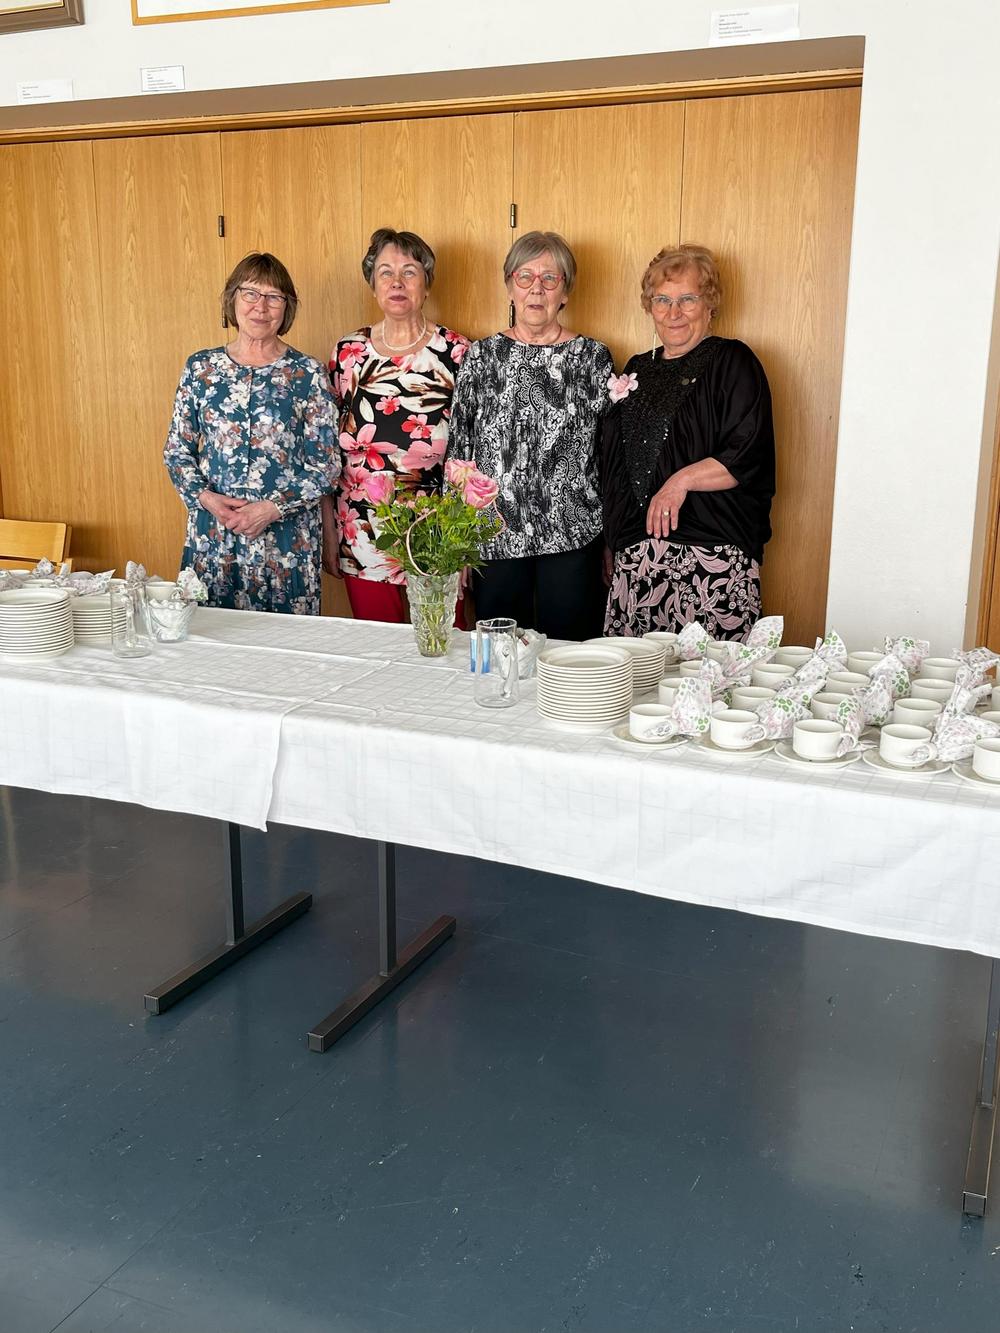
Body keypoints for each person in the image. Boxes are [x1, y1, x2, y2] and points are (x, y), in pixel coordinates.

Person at [602, 244, 775, 641]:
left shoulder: (733, 361)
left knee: (711, 676)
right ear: (650, 307)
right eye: (662, 300)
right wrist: (611, 540)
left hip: (711, 560)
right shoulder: (637, 368)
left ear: (709, 304)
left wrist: (679, 481)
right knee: (637, 676)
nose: (673, 312)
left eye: (687, 299)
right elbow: (616, 463)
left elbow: (747, 452)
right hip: (636, 561)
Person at [446, 231, 613, 640]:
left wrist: (613, 537)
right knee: (501, 653)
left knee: (570, 654)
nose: (536, 288)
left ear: (565, 292)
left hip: (573, 533)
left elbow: (608, 455)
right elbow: (460, 450)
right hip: (495, 534)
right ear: (509, 286)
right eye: (525, 276)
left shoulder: (593, 358)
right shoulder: (482, 357)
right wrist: (457, 539)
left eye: (549, 278)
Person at [163, 252, 338, 615]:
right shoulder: (201, 368)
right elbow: (177, 451)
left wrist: (272, 509)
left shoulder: (307, 373)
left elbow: (326, 466)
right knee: (211, 638)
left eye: (274, 297)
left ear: (287, 308)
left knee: (287, 645)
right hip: (215, 536)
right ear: (233, 298)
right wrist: (207, 499)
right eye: (251, 293)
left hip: (286, 542)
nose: (261, 306)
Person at [323, 228, 470, 622]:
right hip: (362, 526)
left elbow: (472, 453)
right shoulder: (348, 353)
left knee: (444, 642)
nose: (397, 282)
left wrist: (466, 541)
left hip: (439, 528)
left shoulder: (457, 352)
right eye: (385, 272)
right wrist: (329, 532)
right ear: (373, 285)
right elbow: (326, 450)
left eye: (409, 272)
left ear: (426, 284)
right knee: (377, 646)